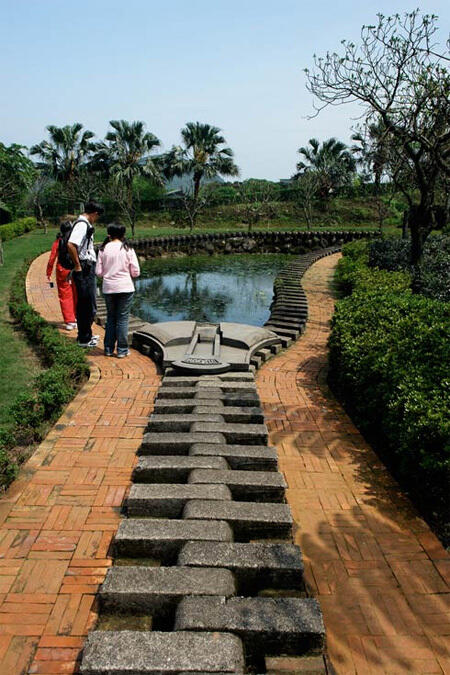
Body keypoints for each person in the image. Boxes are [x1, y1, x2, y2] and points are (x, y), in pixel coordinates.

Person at [96, 223, 140, 358]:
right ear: (123, 234)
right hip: (125, 287)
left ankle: (108, 348)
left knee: (111, 318)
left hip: (109, 288)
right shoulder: (127, 249)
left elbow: (98, 272)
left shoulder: (103, 249)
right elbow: (136, 272)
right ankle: (122, 350)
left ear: (109, 234)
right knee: (122, 319)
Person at [67, 201, 104, 348]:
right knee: (86, 304)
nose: (97, 219)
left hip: (85, 267)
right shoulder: (82, 224)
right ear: (94, 213)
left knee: (87, 303)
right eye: (97, 216)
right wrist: (77, 266)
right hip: (84, 268)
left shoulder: (83, 224)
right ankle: (84, 338)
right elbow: (71, 244)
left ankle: (85, 335)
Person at [46, 220, 78, 330]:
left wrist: (48, 273)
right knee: (75, 293)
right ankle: (76, 316)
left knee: (65, 295)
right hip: (74, 269)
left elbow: (52, 259)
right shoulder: (74, 240)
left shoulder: (58, 241)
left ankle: (70, 321)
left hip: (62, 270)